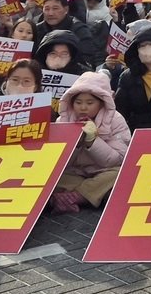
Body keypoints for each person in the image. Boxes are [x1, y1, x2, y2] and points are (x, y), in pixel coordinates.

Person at [52, 72, 131, 212]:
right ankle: (87, 195)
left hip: (103, 172)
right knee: (50, 178)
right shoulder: (63, 120)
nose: (83, 108)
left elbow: (118, 159)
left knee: (121, 174)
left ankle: (74, 197)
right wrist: (75, 142)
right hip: (74, 174)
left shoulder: (116, 120)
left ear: (101, 103)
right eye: (78, 102)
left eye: (90, 103)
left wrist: (92, 141)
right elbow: (58, 162)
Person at [33, 0, 101, 68]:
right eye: (47, 9)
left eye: (55, 8)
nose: (50, 13)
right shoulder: (36, 29)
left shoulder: (80, 29)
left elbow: (86, 59)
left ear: (66, 10)